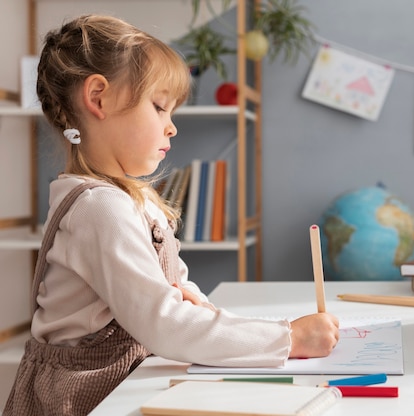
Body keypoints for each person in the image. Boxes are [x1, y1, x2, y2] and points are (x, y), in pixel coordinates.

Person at [3, 15, 339, 415]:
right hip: (84, 398)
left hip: (123, 383)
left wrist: (248, 328)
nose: (172, 128)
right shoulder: (100, 208)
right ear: (98, 98)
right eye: (160, 107)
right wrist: (288, 339)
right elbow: (164, 324)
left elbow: (181, 295)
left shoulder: (132, 199)